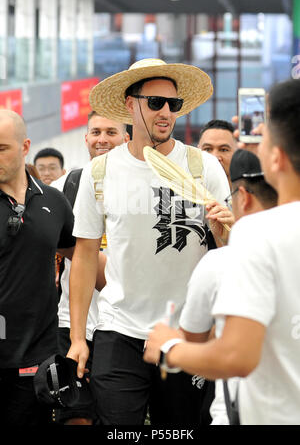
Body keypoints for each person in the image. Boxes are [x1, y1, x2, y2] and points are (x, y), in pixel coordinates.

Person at [67, 58, 231, 426]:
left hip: (187, 331)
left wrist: (225, 232)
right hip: (118, 328)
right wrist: (78, 338)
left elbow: (231, 255)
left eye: (173, 104)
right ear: (130, 104)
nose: (166, 113)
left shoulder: (203, 167)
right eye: (155, 102)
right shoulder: (101, 171)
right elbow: (85, 255)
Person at [143, 78, 300, 425]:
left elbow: (236, 356)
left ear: (276, 158)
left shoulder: (259, 235)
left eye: (265, 129)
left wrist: (170, 347)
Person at [178, 149, 277, 425]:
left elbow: (194, 345)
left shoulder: (218, 264)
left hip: (238, 413)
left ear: (242, 197)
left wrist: (166, 345)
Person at [51, 111, 129, 425]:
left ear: (126, 138)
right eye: (95, 131)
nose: (102, 139)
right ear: (85, 138)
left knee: (117, 417)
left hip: (123, 326)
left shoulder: (143, 187)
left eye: (111, 132)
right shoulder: (62, 187)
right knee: (75, 417)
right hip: (71, 322)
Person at [0, 110, 75, 426]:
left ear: (24, 145)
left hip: (38, 360)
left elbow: (80, 256)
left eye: (1, 148)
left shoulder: (54, 202)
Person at [198, 119, 237, 186]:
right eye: (207, 149)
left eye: (224, 150)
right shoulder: (183, 193)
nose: (215, 157)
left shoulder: (251, 195)